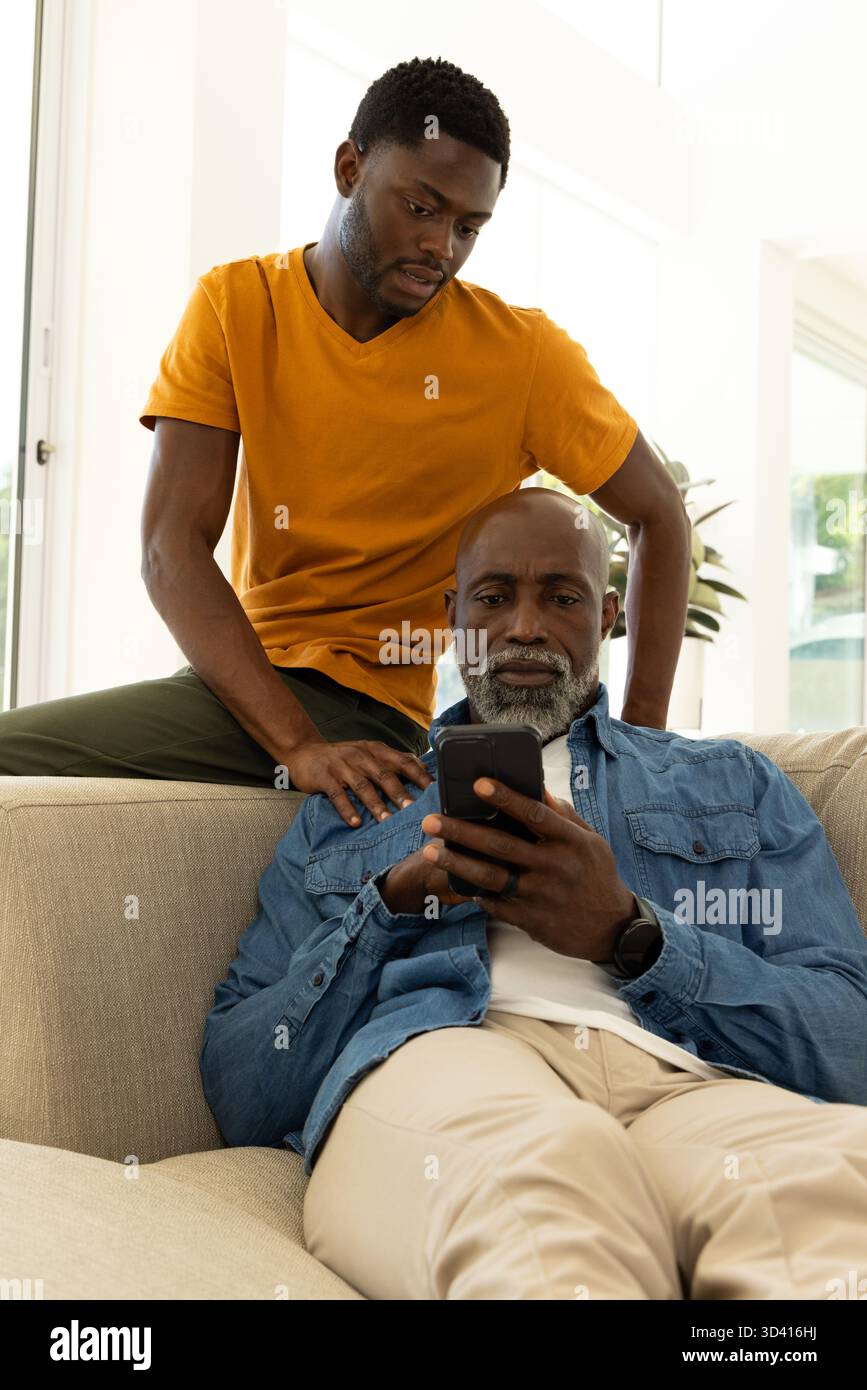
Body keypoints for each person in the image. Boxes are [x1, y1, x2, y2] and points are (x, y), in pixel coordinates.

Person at [200, 487, 867, 1300]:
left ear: (607, 616)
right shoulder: (354, 810)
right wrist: (390, 910)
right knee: (547, 1181)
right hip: (453, 1062)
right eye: (492, 597)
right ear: (450, 614)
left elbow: (851, 1043)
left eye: (561, 596)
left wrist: (631, 934)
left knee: (821, 1188)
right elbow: (242, 1084)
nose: (522, 627)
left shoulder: (731, 783)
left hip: (688, 1083)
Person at [0, 57, 691, 830]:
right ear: (348, 167)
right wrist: (291, 741)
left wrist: (642, 744)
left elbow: (659, 515)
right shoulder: (235, 307)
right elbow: (170, 547)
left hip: (369, 712)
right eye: (422, 208)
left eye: (468, 227)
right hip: (246, 690)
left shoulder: (521, 355)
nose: (442, 247)